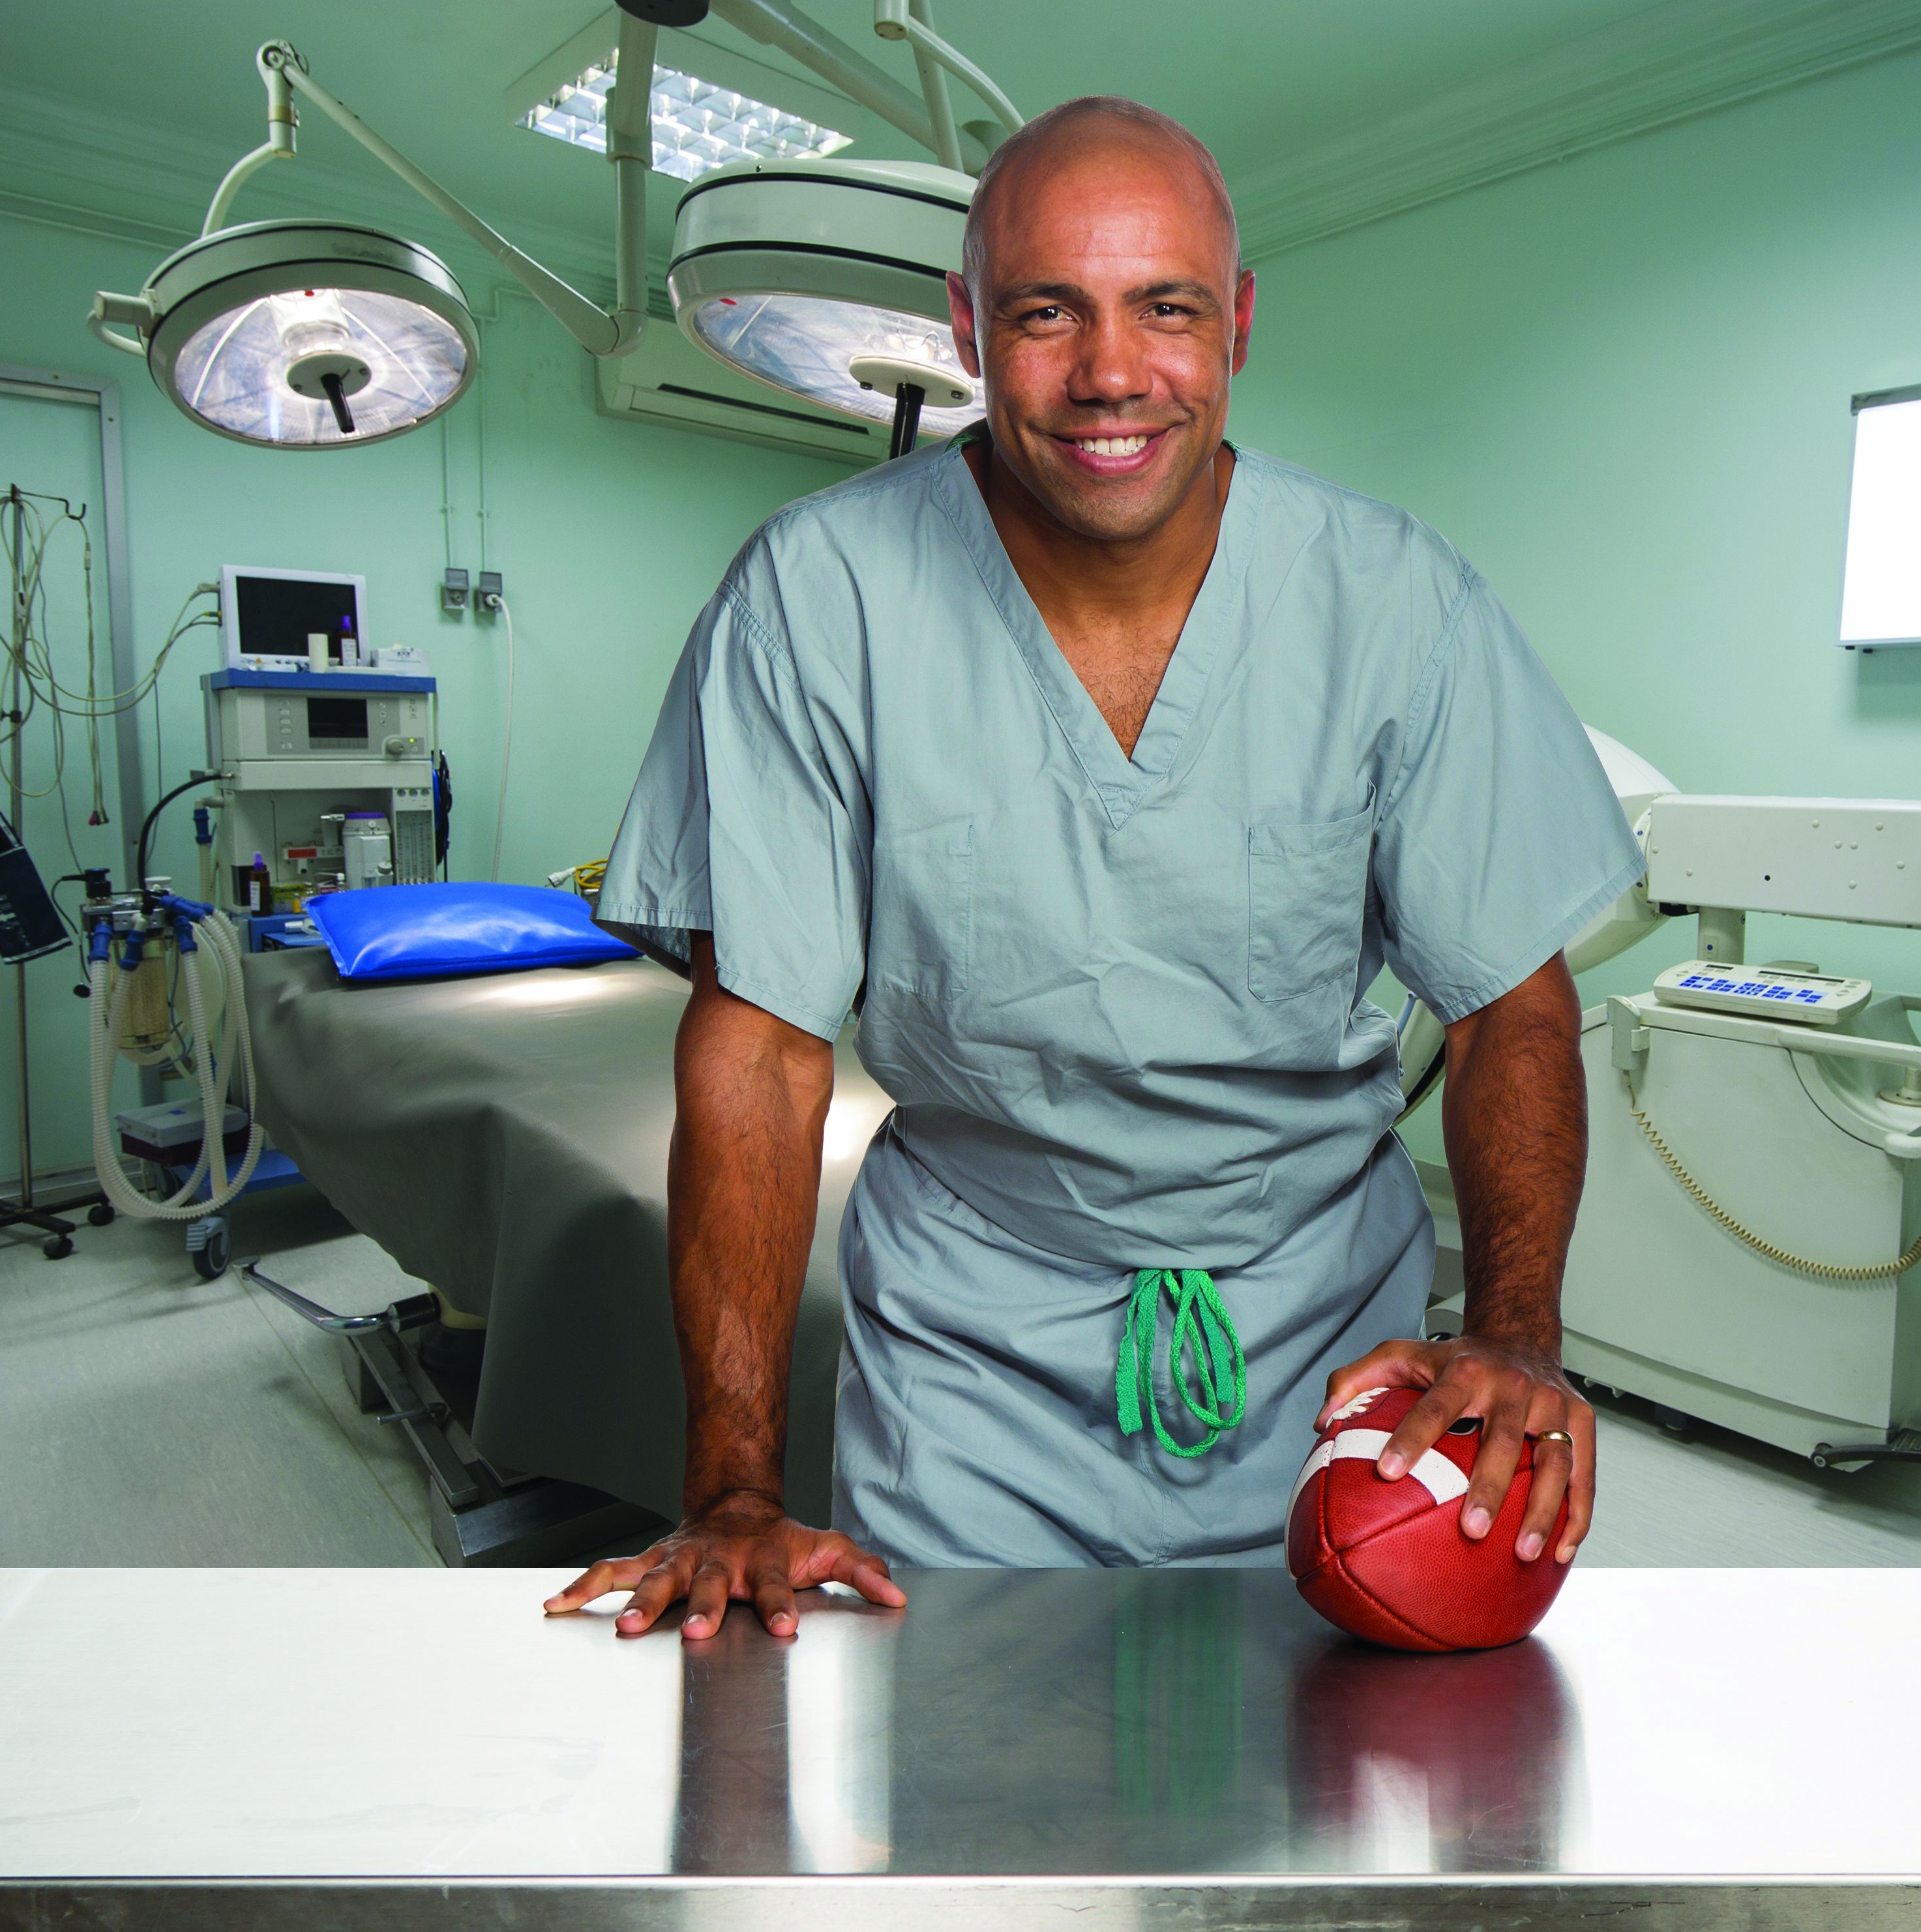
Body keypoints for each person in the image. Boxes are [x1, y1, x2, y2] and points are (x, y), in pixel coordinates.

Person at [548, 95, 1643, 1639]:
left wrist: (1515, 1335)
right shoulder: (816, 597)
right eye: (1046, 312)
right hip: (972, 1348)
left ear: (1237, 323)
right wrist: (731, 1487)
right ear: (967, 329)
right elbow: (761, 1052)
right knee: (972, 1752)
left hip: (1335, 1350)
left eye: (1166, 309)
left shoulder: (1397, 605)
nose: (1112, 373)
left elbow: (1508, 1007)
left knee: (1333, 1762)